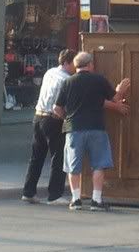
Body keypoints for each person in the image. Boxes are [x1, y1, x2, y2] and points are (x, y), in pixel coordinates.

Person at [53, 51, 130, 211]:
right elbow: (114, 99)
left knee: (73, 166)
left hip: (74, 128)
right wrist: (120, 89)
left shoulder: (68, 82)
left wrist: (66, 118)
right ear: (90, 65)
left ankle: (75, 200)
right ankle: (96, 200)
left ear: (75, 65)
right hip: (96, 127)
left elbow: (57, 107)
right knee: (99, 165)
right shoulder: (99, 80)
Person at [21, 49, 76, 205]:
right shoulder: (67, 80)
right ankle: (54, 195)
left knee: (36, 156)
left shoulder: (49, 72)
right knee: (58, 157)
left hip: (38, 116)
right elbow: (62, 106)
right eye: (74, 63)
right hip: (54, 119)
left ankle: (28, 191)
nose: (75, 66)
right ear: (66, 62)